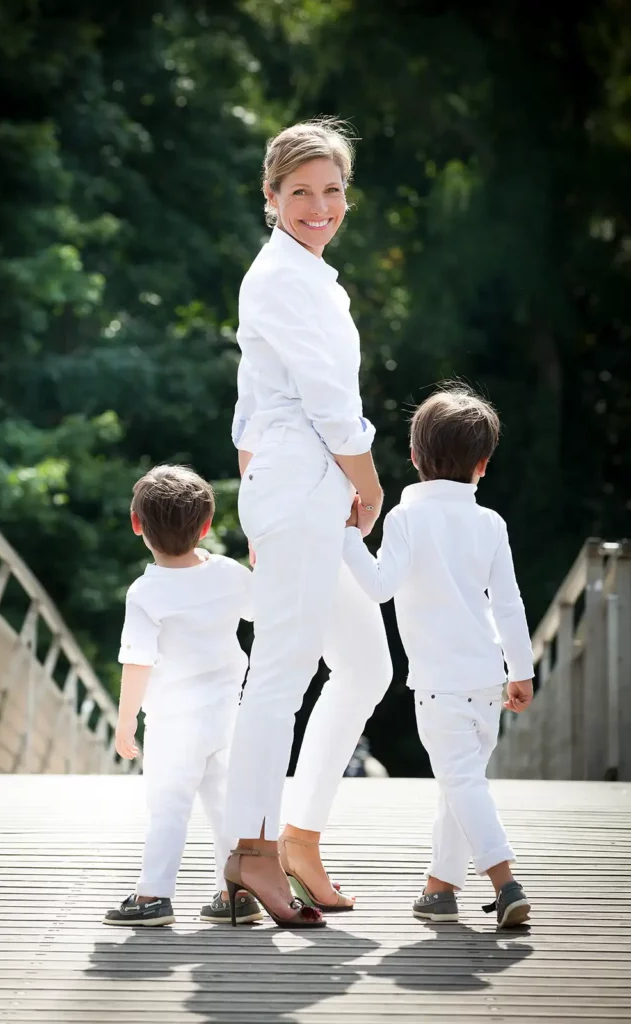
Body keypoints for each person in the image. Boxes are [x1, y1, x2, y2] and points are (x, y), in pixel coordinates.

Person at [223, 119, 393, 927]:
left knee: (364, 665)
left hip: (300, 493)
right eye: (300, 192)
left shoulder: (310, 277)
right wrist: (367, 482)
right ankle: (250, 851)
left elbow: (249, 405)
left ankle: (296, 837)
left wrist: (262, 493)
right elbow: (327, 400)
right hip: (309, 484)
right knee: (279, 677)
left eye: (331, 191)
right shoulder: (281, 278)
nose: (318, 206)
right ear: (270, 197)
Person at [343, 384, 534, 929]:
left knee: (462, 781)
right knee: (461, 779)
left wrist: (350, 538)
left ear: (413, 457)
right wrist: (521, 671)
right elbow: (510, 605)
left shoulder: (407, 519)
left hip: (438, 684)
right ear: (483, 464)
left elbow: (380, 587)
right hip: (486, 680)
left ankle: (506, 882)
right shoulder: (490, 524)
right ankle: (440, 887)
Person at [103, 465, 263, 927]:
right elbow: (259, 610)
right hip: (226, 715)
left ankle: (154, 895)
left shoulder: (146, 592)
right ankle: (235, 892)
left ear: (137, 524)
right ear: (207, 525)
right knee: (225, 804)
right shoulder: (229, 573)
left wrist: (126, 718)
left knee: (169, 806)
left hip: (174, 722)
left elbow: (138, 661)